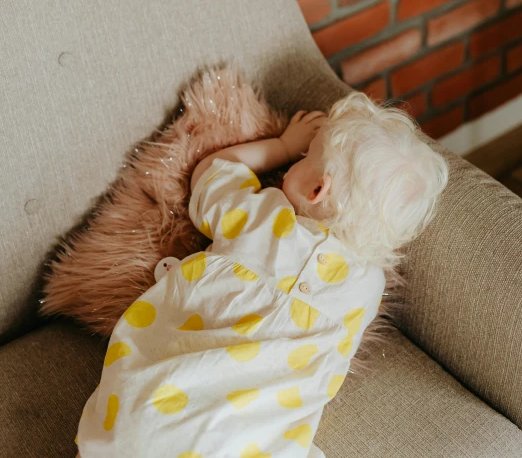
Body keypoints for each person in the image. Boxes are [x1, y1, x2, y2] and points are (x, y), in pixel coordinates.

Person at [75, 91, 448, 457]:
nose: (293, 162)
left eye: (304, 158)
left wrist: (282, 145)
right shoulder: (368, 285)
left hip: (153, 417)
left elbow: (212, 173)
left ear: (316, 190)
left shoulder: (263, 217)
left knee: (141, 416)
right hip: (250, 435)